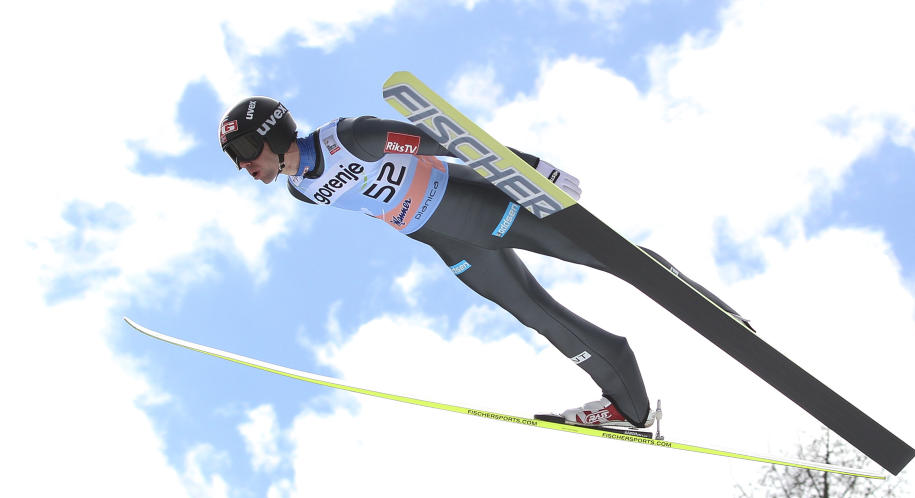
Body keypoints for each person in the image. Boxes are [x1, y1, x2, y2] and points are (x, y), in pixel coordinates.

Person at [218, 96, 751, 429]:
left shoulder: (352, 137)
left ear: (271, 133)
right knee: (538, 314)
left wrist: (532, 168)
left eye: (243, 149)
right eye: (234, 158)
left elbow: (443, 141)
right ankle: (630, 408)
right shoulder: (301, 190)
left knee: (609, 256)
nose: (243, 166)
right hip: (451, 243)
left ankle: (719, 314)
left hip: (483, 204)